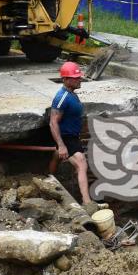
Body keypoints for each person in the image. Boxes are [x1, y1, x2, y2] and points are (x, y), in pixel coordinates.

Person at [50, 61, 92, 206]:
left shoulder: (71, 94)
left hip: (72, 136)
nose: (80, 79)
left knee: (57, 155)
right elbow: (53, 122)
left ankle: (49, 175)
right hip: (66, 136)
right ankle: (87, 203)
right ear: (66, 79)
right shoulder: (62, 97)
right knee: (81, 163)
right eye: (76, 77)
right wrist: (61, 145)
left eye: (79, 77)